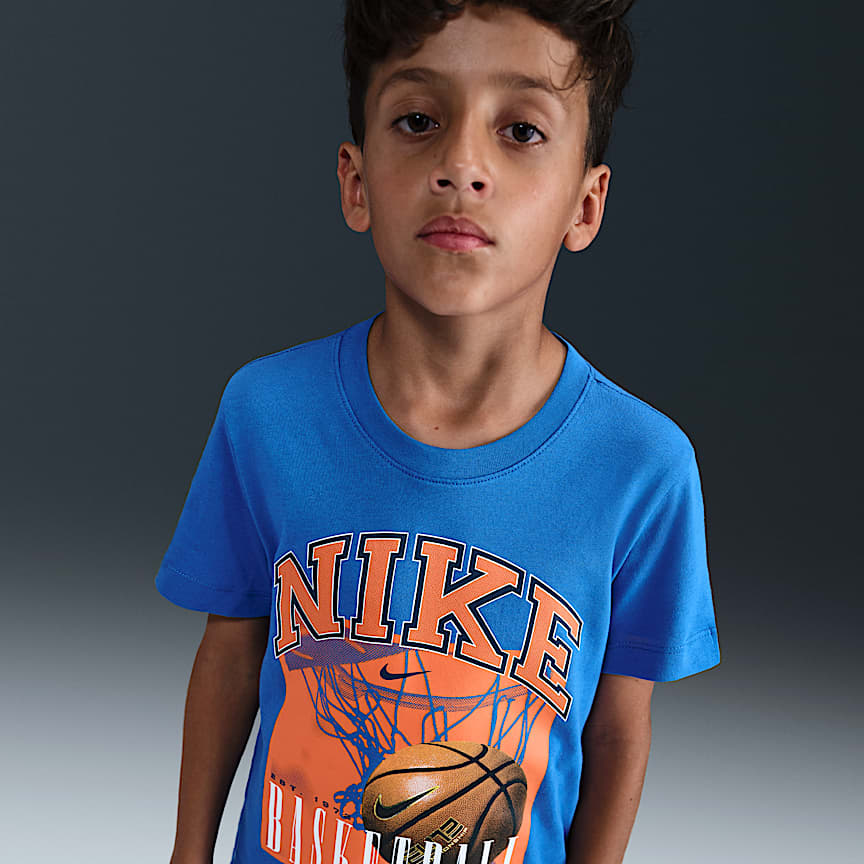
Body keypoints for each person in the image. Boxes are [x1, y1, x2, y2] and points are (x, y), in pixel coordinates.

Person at [156, 2, 721, 863]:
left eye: (521, 130)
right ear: (356, 182)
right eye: (418, 121)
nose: (461, 165)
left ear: (585, 205)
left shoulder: (642, 468)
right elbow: (229, 660)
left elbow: (617, 729)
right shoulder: (266, 412)